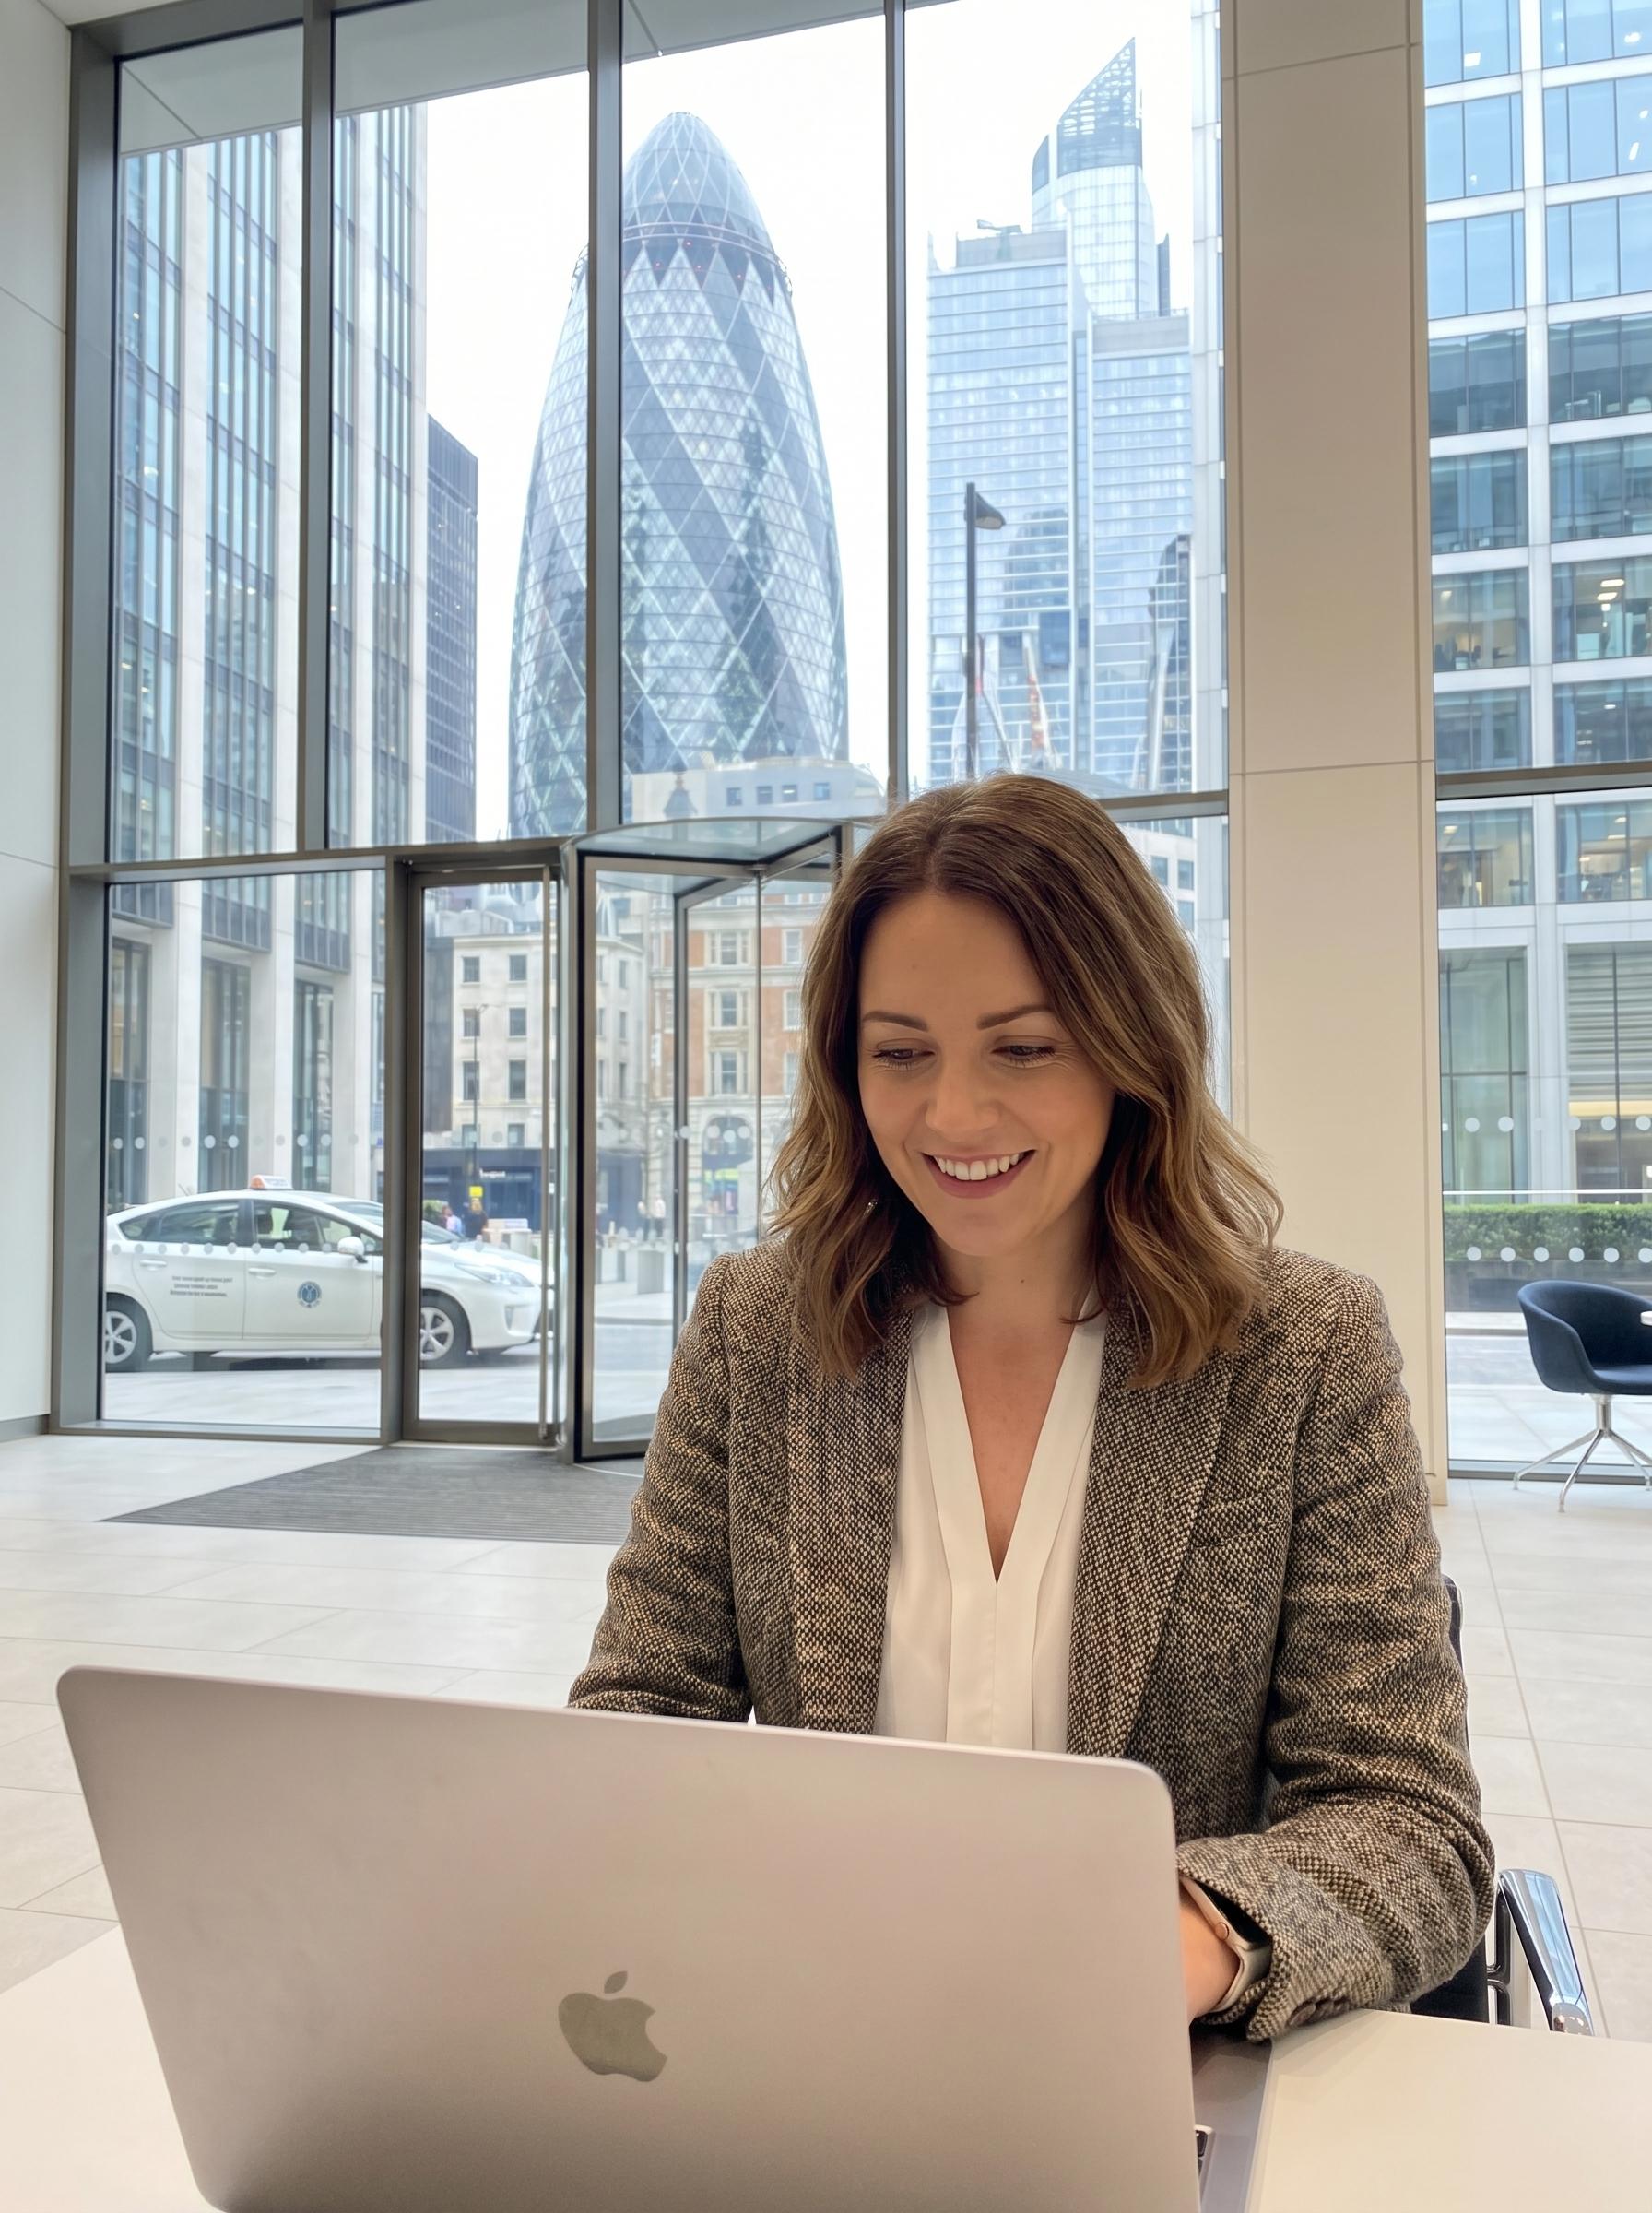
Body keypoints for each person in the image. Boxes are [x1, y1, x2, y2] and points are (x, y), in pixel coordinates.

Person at [569, 775, 1492, 2042]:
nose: (953, 1113)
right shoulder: (756, 1327)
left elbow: (1412, 1828)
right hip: (811, 2037)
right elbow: (635, 1721)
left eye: (1024, 1047)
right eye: (901, 1053)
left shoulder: (1302, 1350)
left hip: (1134, 2066)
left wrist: (1158, 1952)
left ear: (1133, 1048)